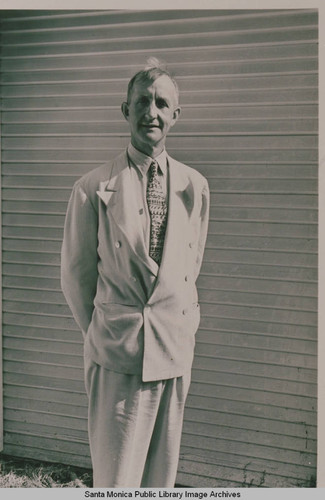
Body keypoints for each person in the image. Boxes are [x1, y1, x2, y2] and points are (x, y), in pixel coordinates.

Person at [61, 58, 210, 488]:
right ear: (125, 110)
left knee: (160, 479)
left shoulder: (194, 186)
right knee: (117, 478)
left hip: (173, 351)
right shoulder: (92, 189)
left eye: (162, 103)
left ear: (175, 116)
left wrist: (183, 324)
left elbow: (189, 266)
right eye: (142, 101)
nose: (152, 112)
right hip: (117, 354)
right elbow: (75, 275)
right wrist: (103, 331)